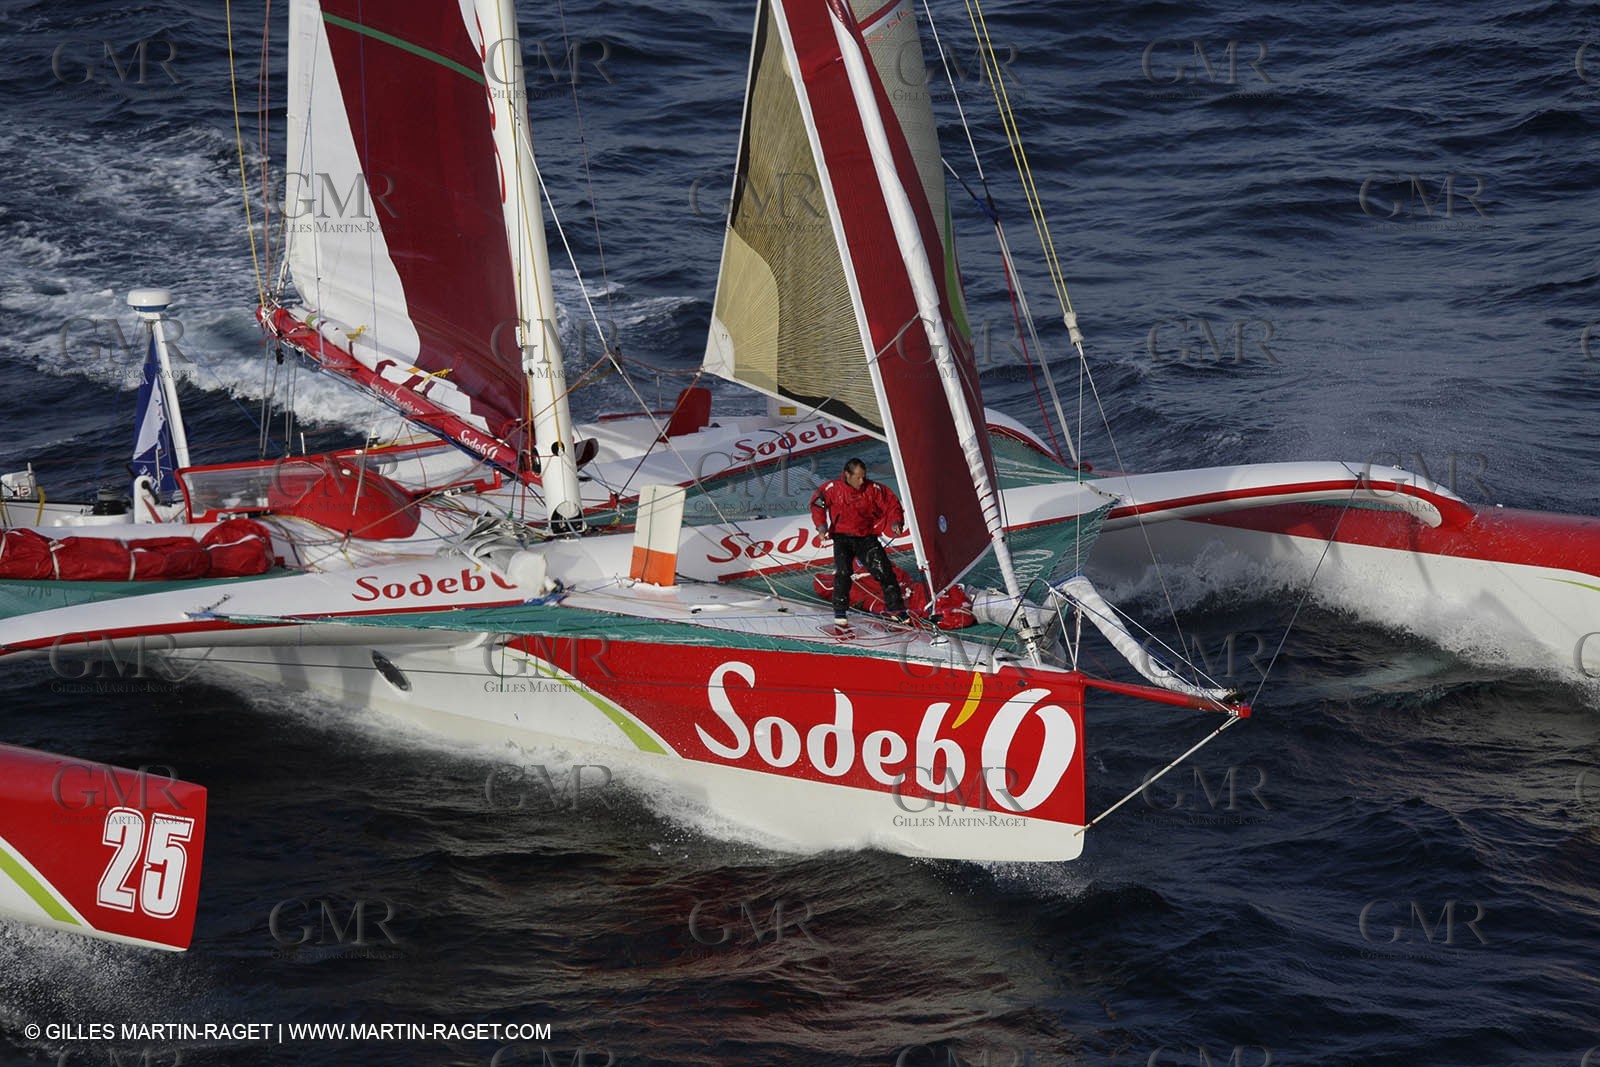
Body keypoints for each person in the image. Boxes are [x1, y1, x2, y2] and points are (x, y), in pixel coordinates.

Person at [809, 458, 909, 625]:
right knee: (843, 572)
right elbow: (817, 505)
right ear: (847, 475)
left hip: (866, 536)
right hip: (842, 537)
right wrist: (821, 526)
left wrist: (895, 522)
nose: (862, 481)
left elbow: (892, 505)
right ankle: (840, 611)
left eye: (864, 477)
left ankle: (896, 610)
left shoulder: (873, 489)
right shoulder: (832, 488)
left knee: (885, 572)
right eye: (858, 477)